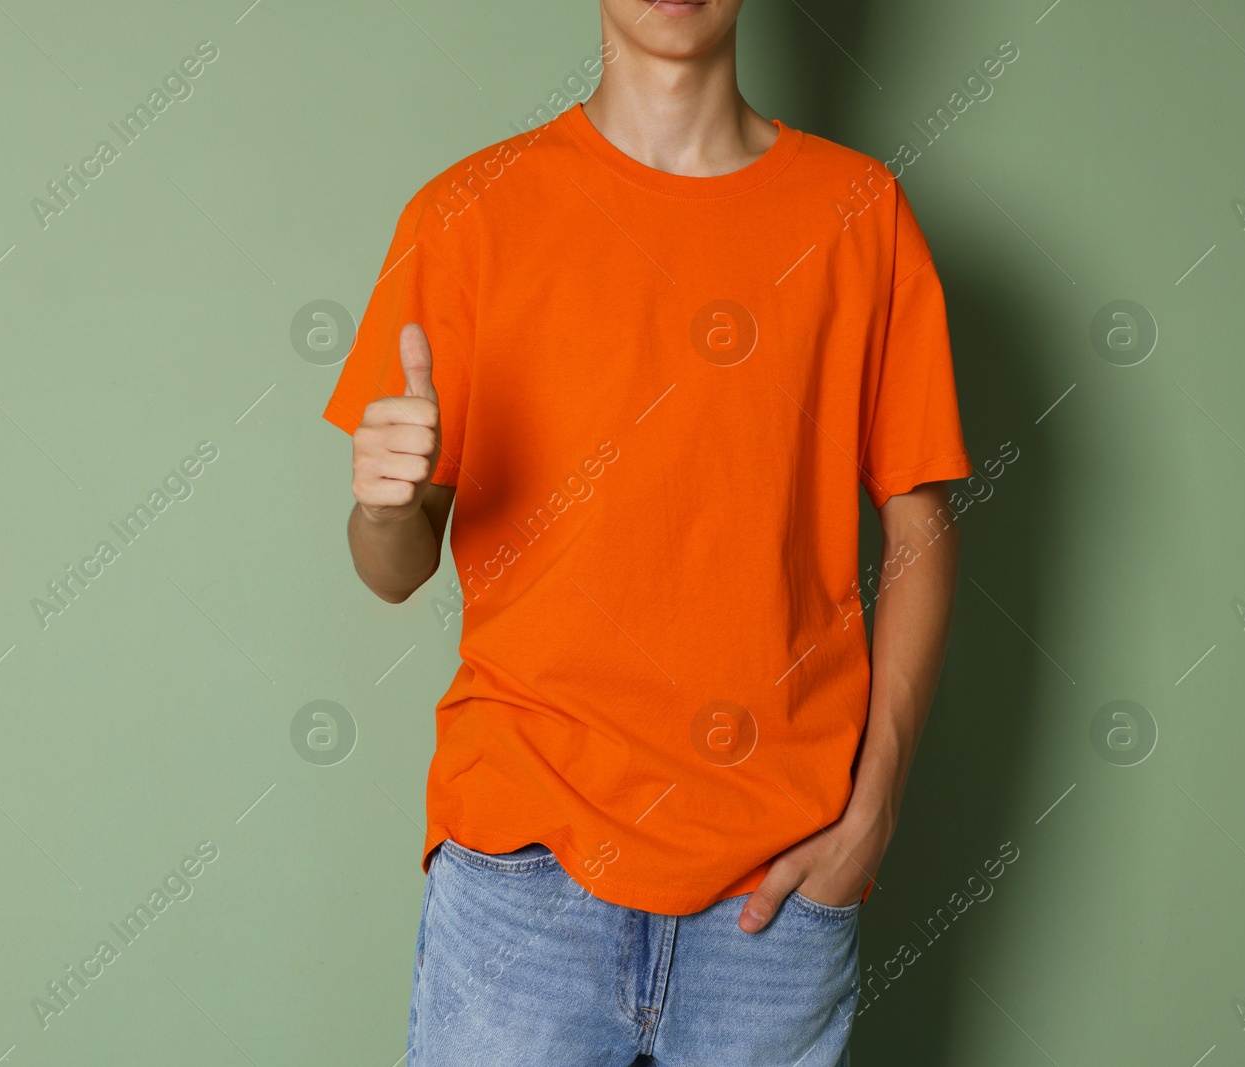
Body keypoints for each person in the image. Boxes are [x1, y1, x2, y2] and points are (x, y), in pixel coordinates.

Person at [320, 0, 972, 1062]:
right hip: (520, 876)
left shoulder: (859, 211)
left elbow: (922, 522)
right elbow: (392, 567)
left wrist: (874, 811)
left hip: (775, 889)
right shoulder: (465, 212)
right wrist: (382, 507)